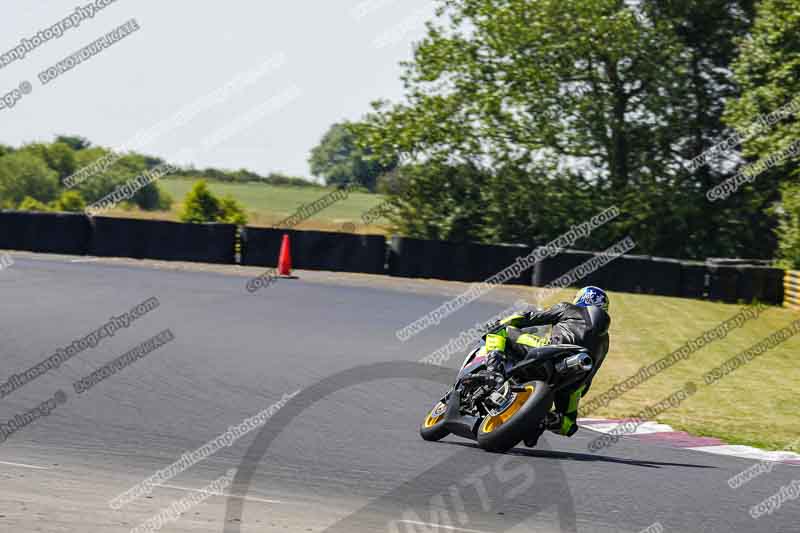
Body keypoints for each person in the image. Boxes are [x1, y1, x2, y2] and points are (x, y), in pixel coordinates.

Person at [485, 286, 611, 440]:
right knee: (569, 425)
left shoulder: (569, 308)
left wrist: (502, 321)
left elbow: (529, 316)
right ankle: (545, 418)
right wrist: (578, 390)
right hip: (574, 381)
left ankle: (493, 372)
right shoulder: (606, 341)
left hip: (549, 352)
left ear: (582, 298)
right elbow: (592, 372)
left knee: (500, 330)